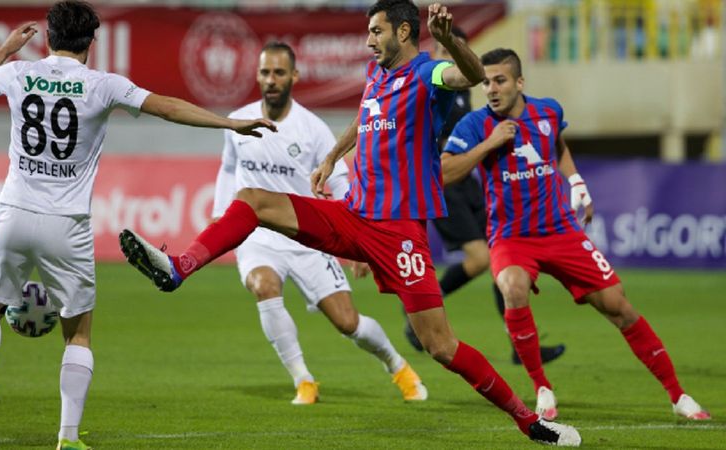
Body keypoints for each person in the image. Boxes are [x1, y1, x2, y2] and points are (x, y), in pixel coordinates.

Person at [120, 1, 581, 446]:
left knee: (441, 346)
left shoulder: (428, 73)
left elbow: (471, 75)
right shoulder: (377, 74)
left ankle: (528, 422)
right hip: (354, 215)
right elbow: (366, 117)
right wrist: (331, 157)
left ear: (404, 31)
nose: (368, 41)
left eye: (376, 31)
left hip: (399, 234)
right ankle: (178, 268)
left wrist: (451, 41)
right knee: (253, 200)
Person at [0, 2, 275, 450]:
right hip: (67, 224)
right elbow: (167, 107)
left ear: (48, 37)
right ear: (91, 41)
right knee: (78, 333)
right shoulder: (102, 85)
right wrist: (230, 123)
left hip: (14, 212)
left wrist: (8, 49)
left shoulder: (17, 74)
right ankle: (67, 437)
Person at [440, 47, 711, 422]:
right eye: (485, 82)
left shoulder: (548, 111)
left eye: (500, 80)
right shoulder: (474, 124)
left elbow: (557, 145)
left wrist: (577, 183)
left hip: (561, 230)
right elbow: (445, 172)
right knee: (512, 288)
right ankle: (542, 387)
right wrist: (489, 144)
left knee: (618, 305)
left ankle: (678, 395)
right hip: (511, 236)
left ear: (520, 82)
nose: (491, 89)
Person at [213, 41, 427, 405]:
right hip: (258, 236)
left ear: (294, 76)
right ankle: (304, 380)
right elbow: (229, 167)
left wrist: (359, 239)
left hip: (306, 236)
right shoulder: (238, 122)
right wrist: (221, 215)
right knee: (264, 286)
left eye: (279, 72)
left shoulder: (312, 128)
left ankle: (397, 365)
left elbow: (340, 180)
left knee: (347, 322)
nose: (271, 80)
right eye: (265, 72)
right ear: (257, 76)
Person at [402, 28, 567, 367]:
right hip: (444, 182)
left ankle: (520, 346)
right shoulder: (428, 85)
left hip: (470, 183)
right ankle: (418, 308)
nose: (450, 56)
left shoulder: (465, 86)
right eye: (444, 49)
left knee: (500, 262)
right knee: (480, 258)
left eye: (457, 49)